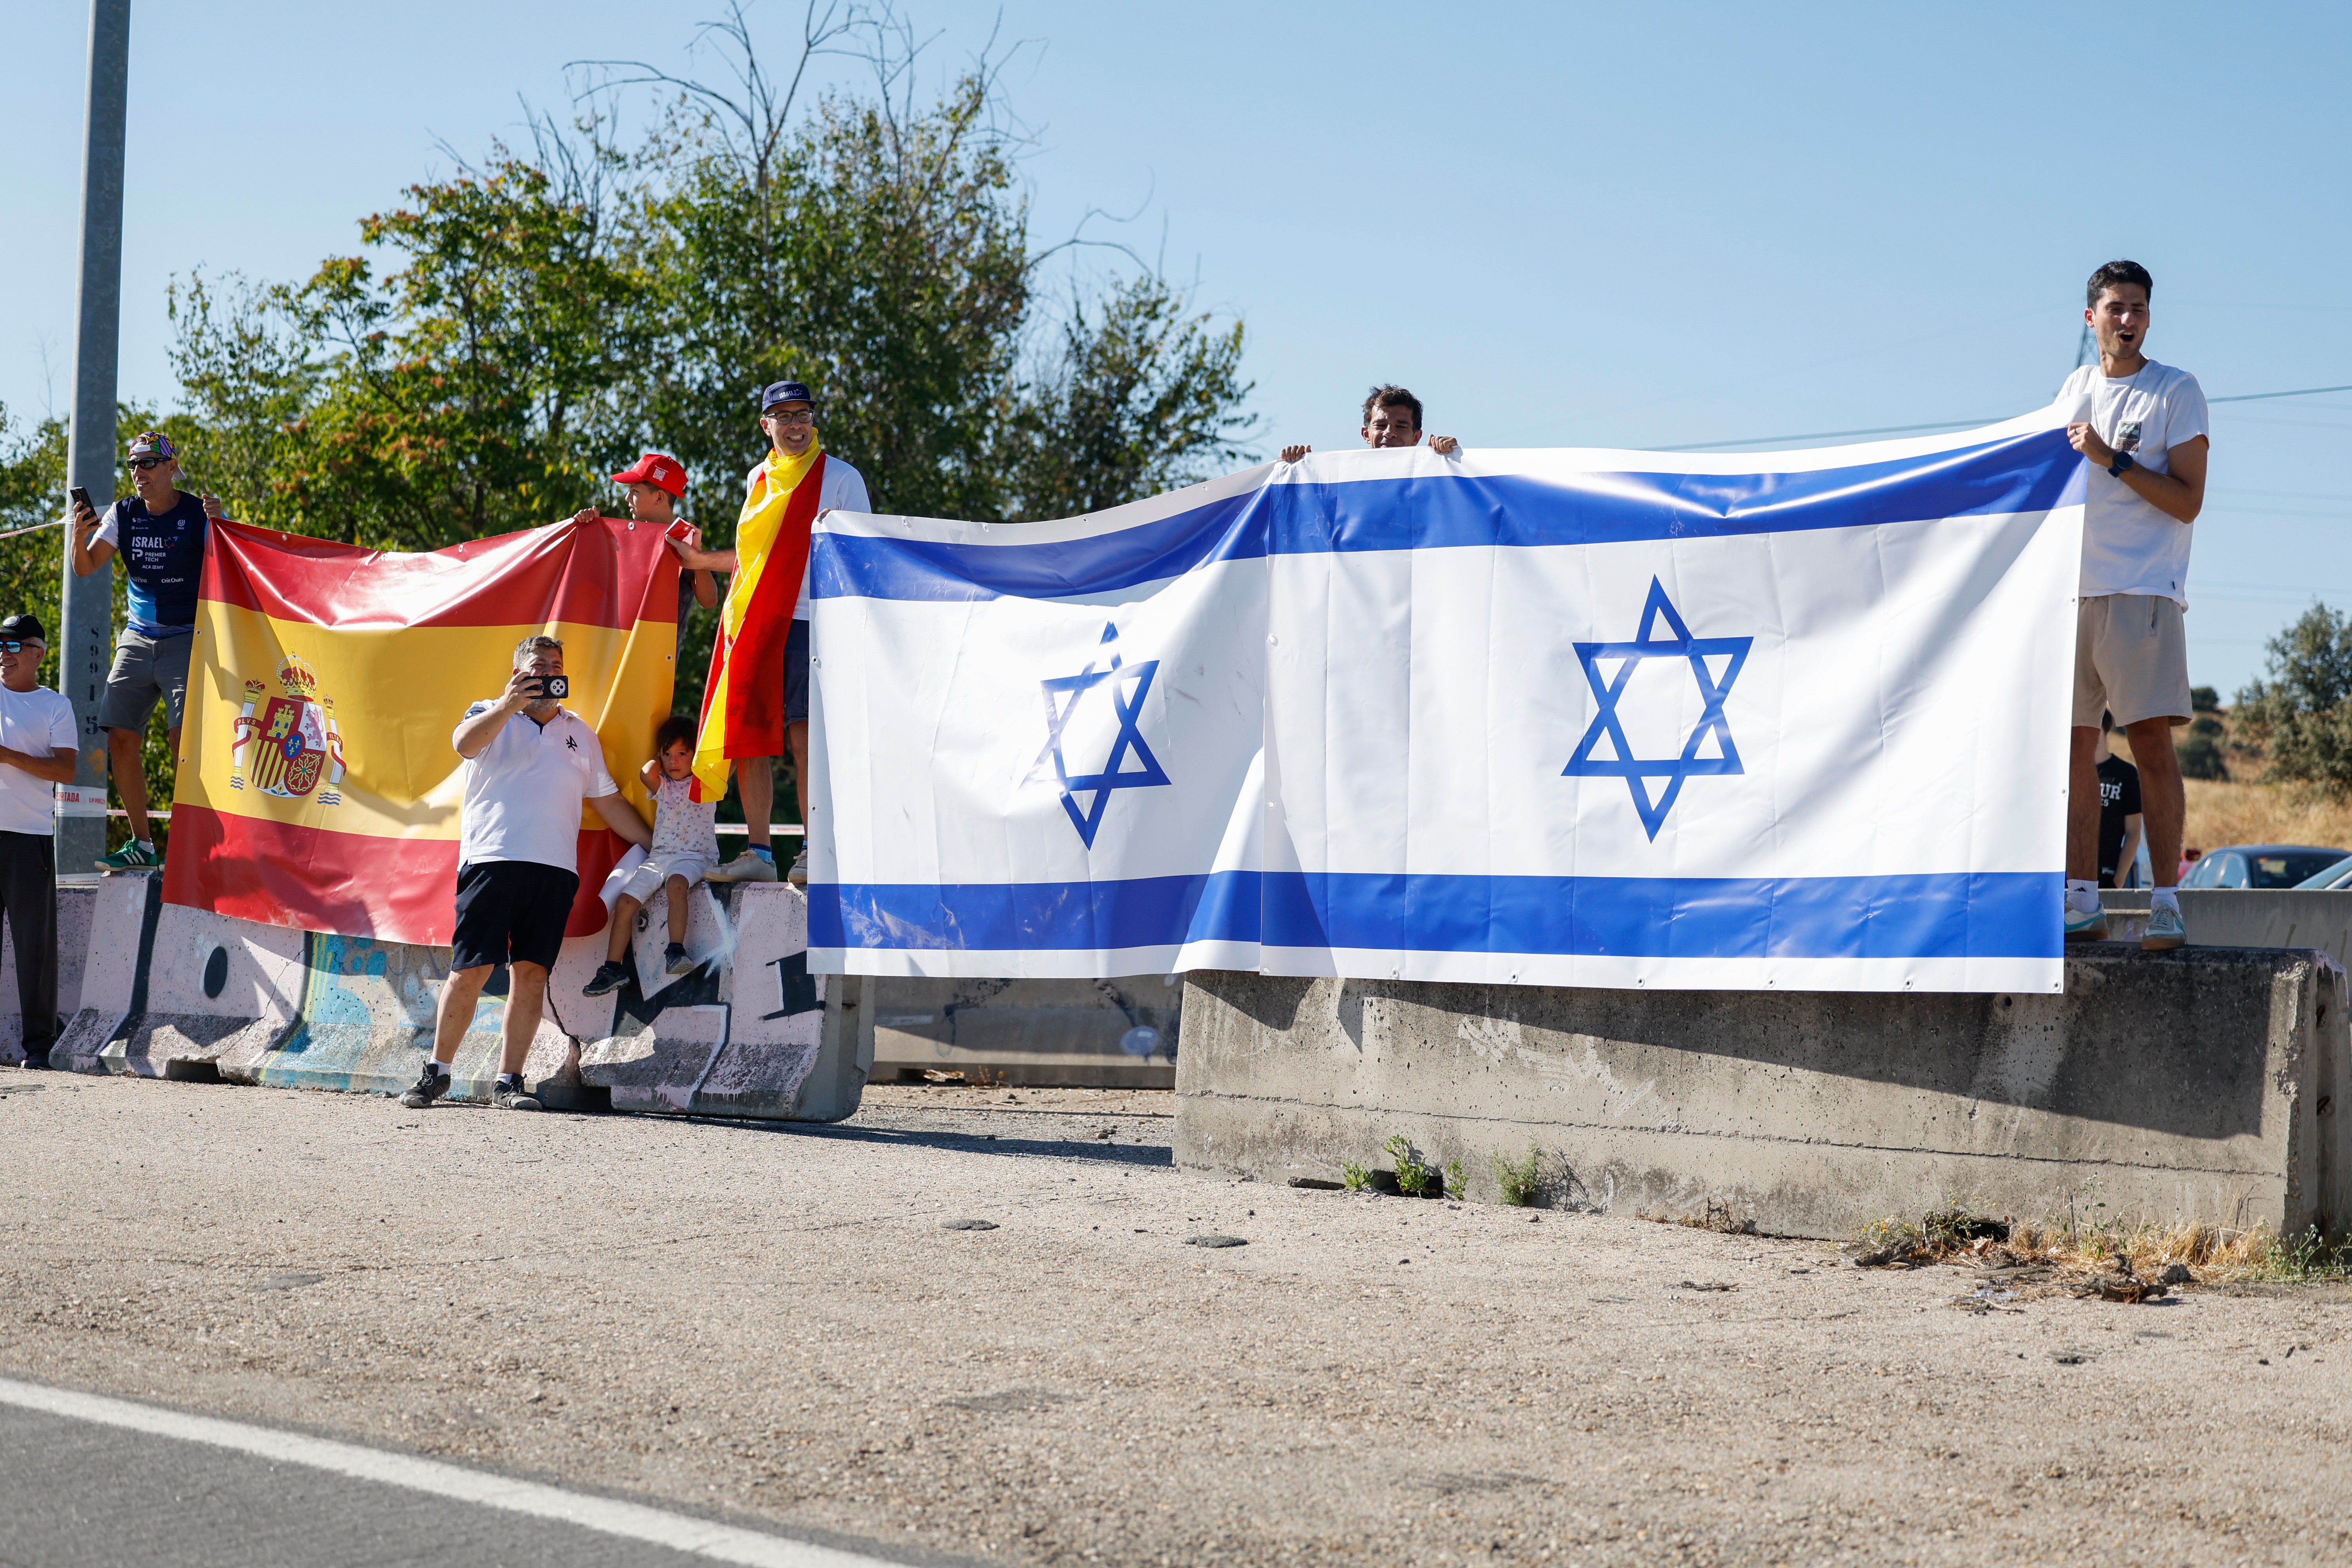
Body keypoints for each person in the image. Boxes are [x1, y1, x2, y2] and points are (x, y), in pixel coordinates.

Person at [399, 636, 651, 1112]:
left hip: (555, 871)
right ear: (518, 672)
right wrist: (510, 701)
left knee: (532, 975)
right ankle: (437, 1072)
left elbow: (610, 802)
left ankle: (509, 1082)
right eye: (538, 666)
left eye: (556, 664)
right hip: (492, 862)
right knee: (471, 969)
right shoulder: (489, 713)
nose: (549, 672)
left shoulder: (580, 731)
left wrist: (663, 846)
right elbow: (463, 744)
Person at [2058, 261, 2207, 953]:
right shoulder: (2073, 391)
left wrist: (2113, 461)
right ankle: (2081, 899)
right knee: (2074, 752)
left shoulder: (2175, 391)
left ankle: (2168, 903)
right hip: (2071, 595)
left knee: (2149, 743)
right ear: (2090, 317)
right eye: (2115, 307)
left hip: (2143, 590)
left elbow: (2188, 500)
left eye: (2138, 309)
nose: (2127, 319)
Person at [670, 381, 871, 886]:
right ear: (767, 425)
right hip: (757, 620)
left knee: (806, 741)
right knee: (749, 739)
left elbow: (869, 554)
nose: (796, 424)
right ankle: (759, 852)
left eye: (803, 413)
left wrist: (836, 536)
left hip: (813, 620)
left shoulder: (842, 478)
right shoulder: (757, 478)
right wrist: (697, 560)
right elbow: (753, 561)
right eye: (784, 416)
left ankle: (812, 849)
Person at [67, 430, 225, 872]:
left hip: (186, 636)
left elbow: (235, 561)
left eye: (149, 463)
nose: (139, 473)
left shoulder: (198, 513)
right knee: (119, 736)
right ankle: (142, 844)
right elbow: (86, 568)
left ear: (172, 467)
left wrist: (223, 521)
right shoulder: (124, 513)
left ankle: (204, 844)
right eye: (134, 465)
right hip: (137, 637)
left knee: (183, 743)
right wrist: (77, 537)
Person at [583, 715, 723, 995]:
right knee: (625, 902)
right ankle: (612, 968)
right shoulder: (664, 787)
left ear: (695, 756)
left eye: (682, 754)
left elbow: (722, 766)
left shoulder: (704, 785)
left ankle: (676, 950)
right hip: (659, 857)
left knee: (676, 886)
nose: (673, 761)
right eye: (668, 754)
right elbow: (646, 773)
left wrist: (695, 759)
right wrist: (659, 757)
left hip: (694, 856)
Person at [0, 615, 80, 1070]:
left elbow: (66, 771)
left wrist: (8, 756)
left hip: (29, 840)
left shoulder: (56, 706)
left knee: (34, 948)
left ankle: (39, 1046)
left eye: (14, 644)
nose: (4, 652)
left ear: (38, 653)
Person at [578, 453, 719, 662]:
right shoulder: (622, 537)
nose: (627, 498)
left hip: (658, 663)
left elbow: (709, 601)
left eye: (634, 491)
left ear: (660, 497)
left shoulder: (684, 541)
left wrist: (697, 558)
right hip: (612, 653)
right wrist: (591, 531)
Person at [1278, 385, 1461, 464]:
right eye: (1381, 426)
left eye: (1401, 426)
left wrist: (1453, 462)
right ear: (1366, 434)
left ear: (1416, 437)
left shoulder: (1435, 476)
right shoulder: (1342, 480)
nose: (1389, 433)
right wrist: (1304, 475)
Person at [2094, 716, 2143, 890]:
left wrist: (2118, 880)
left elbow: (2133, 832)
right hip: (2067, 877)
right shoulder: (2066, 773)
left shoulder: (2127, 774)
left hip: (2107, 877)